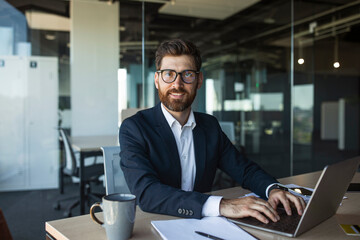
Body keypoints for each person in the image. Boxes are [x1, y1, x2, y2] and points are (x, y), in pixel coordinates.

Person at [119, 39, 306, 224]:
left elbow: (244, 170)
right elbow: (147, 193)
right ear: (157, 80)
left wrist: (272, 188)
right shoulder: (134, 128)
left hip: (204, 226)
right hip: (156, 223)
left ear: (199, 80)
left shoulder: (209, 126)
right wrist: (223, 205)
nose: (177, 84)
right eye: (169, 74)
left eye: (187, 74)